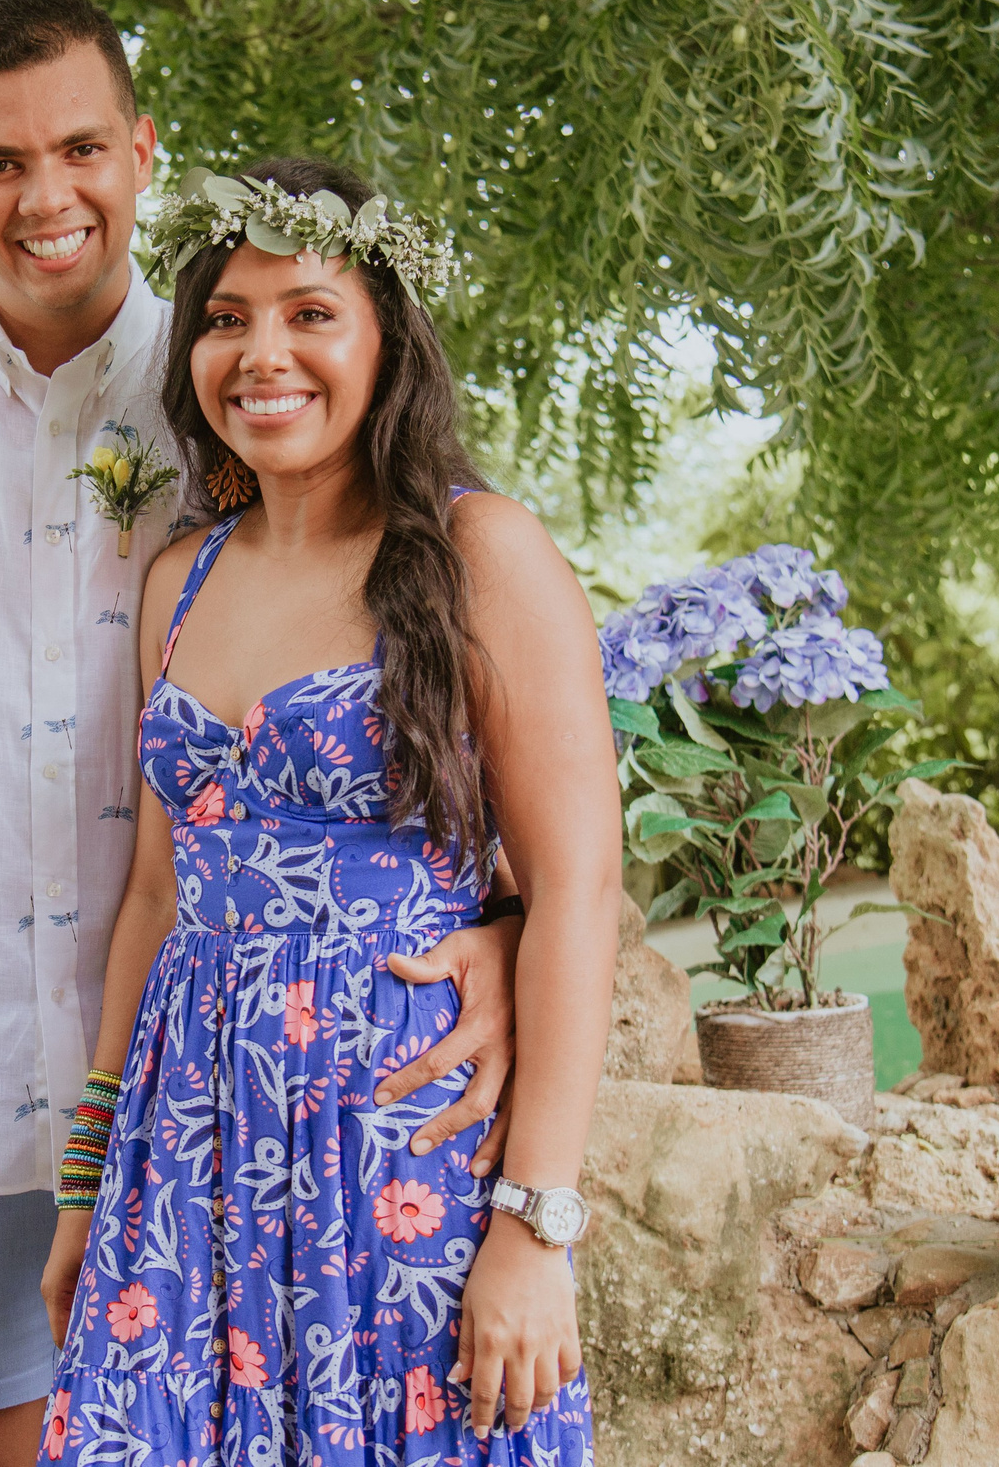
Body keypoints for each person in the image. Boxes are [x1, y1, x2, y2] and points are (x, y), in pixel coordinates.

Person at [0, 0, 531, 1467]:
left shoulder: (248, 389)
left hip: (231, 1105)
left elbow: (449, 673)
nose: (48, 194)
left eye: (81, 147)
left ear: (142, 152)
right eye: (2, 161)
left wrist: (509, 931)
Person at [37, 157, 621, 1466]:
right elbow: (153, 895)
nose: (262, 353)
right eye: (228, 318)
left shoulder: (485, 556)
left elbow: (579, 886)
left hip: (401, 1156)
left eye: (310, 312)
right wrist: (87, 1191)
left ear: (386, 340)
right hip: (184, 1164)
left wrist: (535, 1228)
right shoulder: (176, 579)